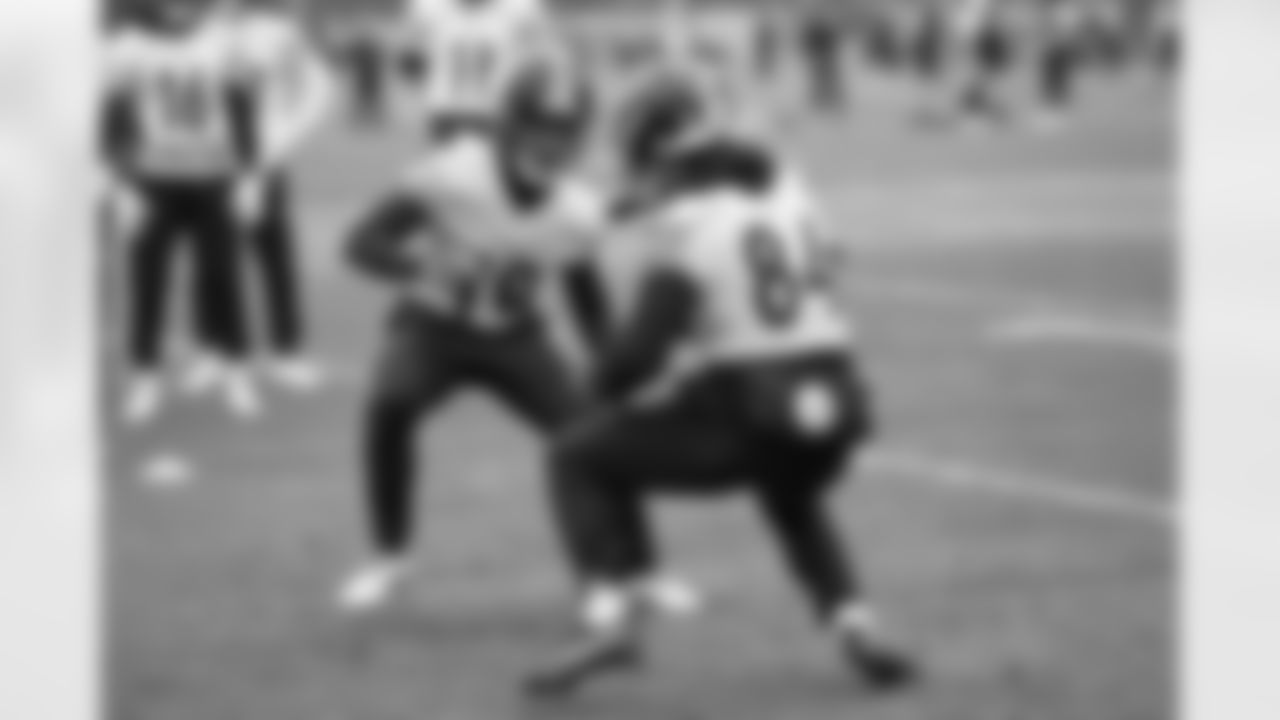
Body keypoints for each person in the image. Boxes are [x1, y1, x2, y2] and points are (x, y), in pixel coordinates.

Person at [526, 79, 918, 698]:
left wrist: (601, 390)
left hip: (749, 404)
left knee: (576, 452)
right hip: (840, 401)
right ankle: (854, 624)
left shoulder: (687, 225)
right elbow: (820, 267)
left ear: (667, 157)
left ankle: (608, 617)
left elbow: (632, 359)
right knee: (791, 494)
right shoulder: (790, 199)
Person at [336, 67, 700, 620]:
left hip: (515, 338)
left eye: (564, 133)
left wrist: (612, 371)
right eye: (541, 130)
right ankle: (389, 557)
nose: (552, 145)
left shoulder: (576, 210)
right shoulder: (452, 174)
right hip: (433, 326)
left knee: (598, 435)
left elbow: (587, 299)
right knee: (390, 402)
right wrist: (423, 263)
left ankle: (642, 569)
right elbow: (361, 243)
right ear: (511, 126)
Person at [103, 0, 264, 425]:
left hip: (213, 176)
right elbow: (110, 121)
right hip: (154, 180)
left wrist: (250, 175)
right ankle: (144, 373)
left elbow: (243, 111)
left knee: (222, 276)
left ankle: (236, 367)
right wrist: (120, 185)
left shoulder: (226, 42)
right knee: (147, 280)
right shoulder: (129, 47)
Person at [192, 0, 335, 395]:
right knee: (213, 259)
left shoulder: (279, 34)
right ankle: (214, 349)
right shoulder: (200, 34)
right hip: (210, 163)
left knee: (273, 253)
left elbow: (319, 88)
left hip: (264, 160)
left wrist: (283, 142)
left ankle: (286, 351)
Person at [405, 0, 557, 143]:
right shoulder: (431, 9)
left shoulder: (519, 10)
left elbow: (539, 56)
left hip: (490, 110)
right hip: (452, 110)